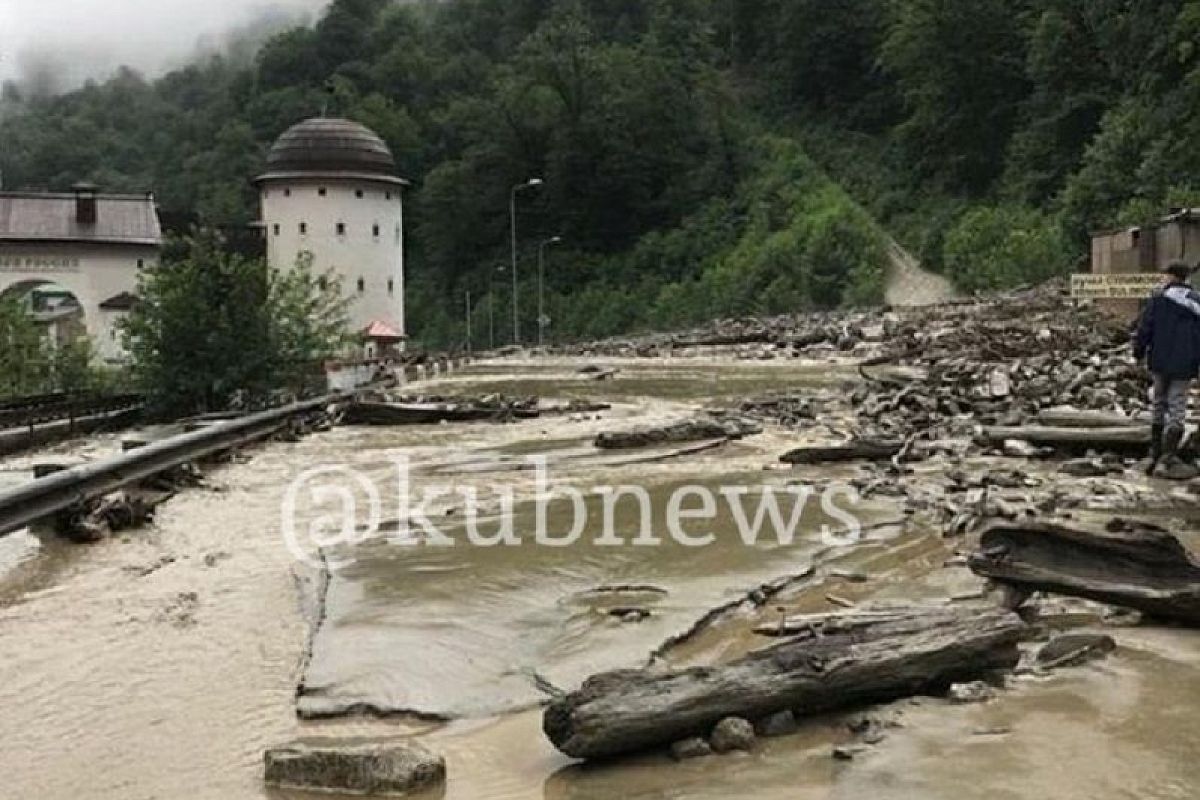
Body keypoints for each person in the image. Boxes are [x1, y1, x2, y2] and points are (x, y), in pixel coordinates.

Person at [1133, 261, 1200, 475]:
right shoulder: (1197, 302)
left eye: (1165, 275)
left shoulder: (1158, 301)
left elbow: (1145, 328)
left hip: (1159, 360)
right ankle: (1168, 457)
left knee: (1159, 403)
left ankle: (1154, 453)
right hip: (1185, 363)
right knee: (1178, 406)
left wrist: (1138, 352)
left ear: (1171, 277)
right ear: (1186, 278)